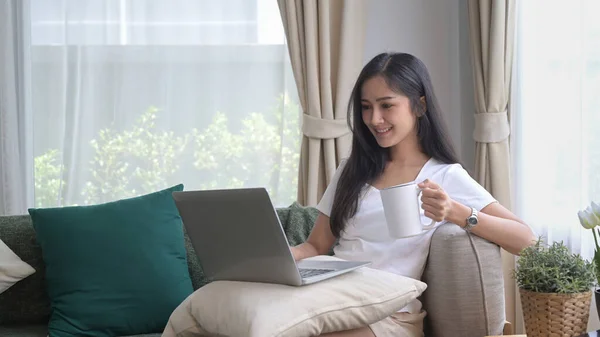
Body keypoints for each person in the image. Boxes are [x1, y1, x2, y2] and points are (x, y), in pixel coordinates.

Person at [289, 52, 536, 337]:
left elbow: (526, 240)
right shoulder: (352, 171)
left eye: (386, 106)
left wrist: (455, 212)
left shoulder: (445, 175)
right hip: (338, 299)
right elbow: (316, 245)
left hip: (391, 315)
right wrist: (283, 257)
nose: (374, 119)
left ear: (419, 106)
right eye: (366, 107)